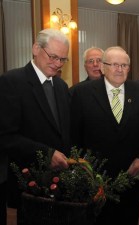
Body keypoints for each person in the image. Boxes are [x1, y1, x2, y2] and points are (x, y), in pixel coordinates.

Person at [70, 46, 139, 225]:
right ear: (102, 67)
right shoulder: (81, 92)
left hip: (132, 173)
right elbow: (74, 135)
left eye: (124, 65)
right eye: (114, 64)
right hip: (95, 176)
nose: (119, 69)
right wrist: (82, 168)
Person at [0, 28, 71, 225]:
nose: (57, 64)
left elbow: (63, 132)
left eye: (62, 60)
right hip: (29, 183)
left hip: (60, 185)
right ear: (35, 48)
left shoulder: (62, 87)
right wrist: (47, 154)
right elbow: (5, 137)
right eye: (53, 56)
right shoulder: (11, 81)